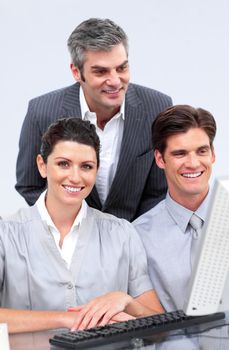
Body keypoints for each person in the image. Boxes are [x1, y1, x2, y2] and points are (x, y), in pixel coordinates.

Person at [0, 118, 163, 334]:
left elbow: (161, 327)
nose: (75, 177)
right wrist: (68, 319)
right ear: (42, 165)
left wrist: (127, 302)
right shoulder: (6, 233)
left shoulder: (122, 233)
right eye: (63, 164)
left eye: (86, 166)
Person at [15, 18, 172, 222]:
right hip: (68, 243)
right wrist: (73, 231)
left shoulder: (158, 107)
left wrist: (127, 238)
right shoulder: (41, 111)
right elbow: (30, 186)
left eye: (122, 68)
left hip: (136, 239)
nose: (115, 81)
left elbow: (158, 191)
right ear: (76, 72)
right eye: (101, 71)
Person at [133, 105, 217, 311]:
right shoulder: (138, 237)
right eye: (180, 153)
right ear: (160, 159)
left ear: (212, 155)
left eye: (202, 151)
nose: (193, 163)